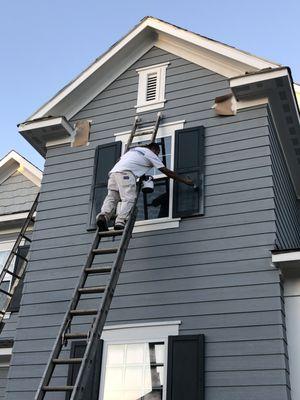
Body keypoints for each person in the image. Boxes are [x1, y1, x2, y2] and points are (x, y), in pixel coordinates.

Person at [96, 142, 193, 231]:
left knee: (112, 197)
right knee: (129, 198)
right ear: (154, 149)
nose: (157, 155)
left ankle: (103, 216)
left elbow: (121, 161)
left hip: (114, 173)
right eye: (157, 153)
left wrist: (141, 174)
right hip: (126, 174)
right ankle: (120, 221)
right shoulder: (150, 153)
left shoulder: (133, 151)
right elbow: (166, 171)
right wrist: (185, 180)